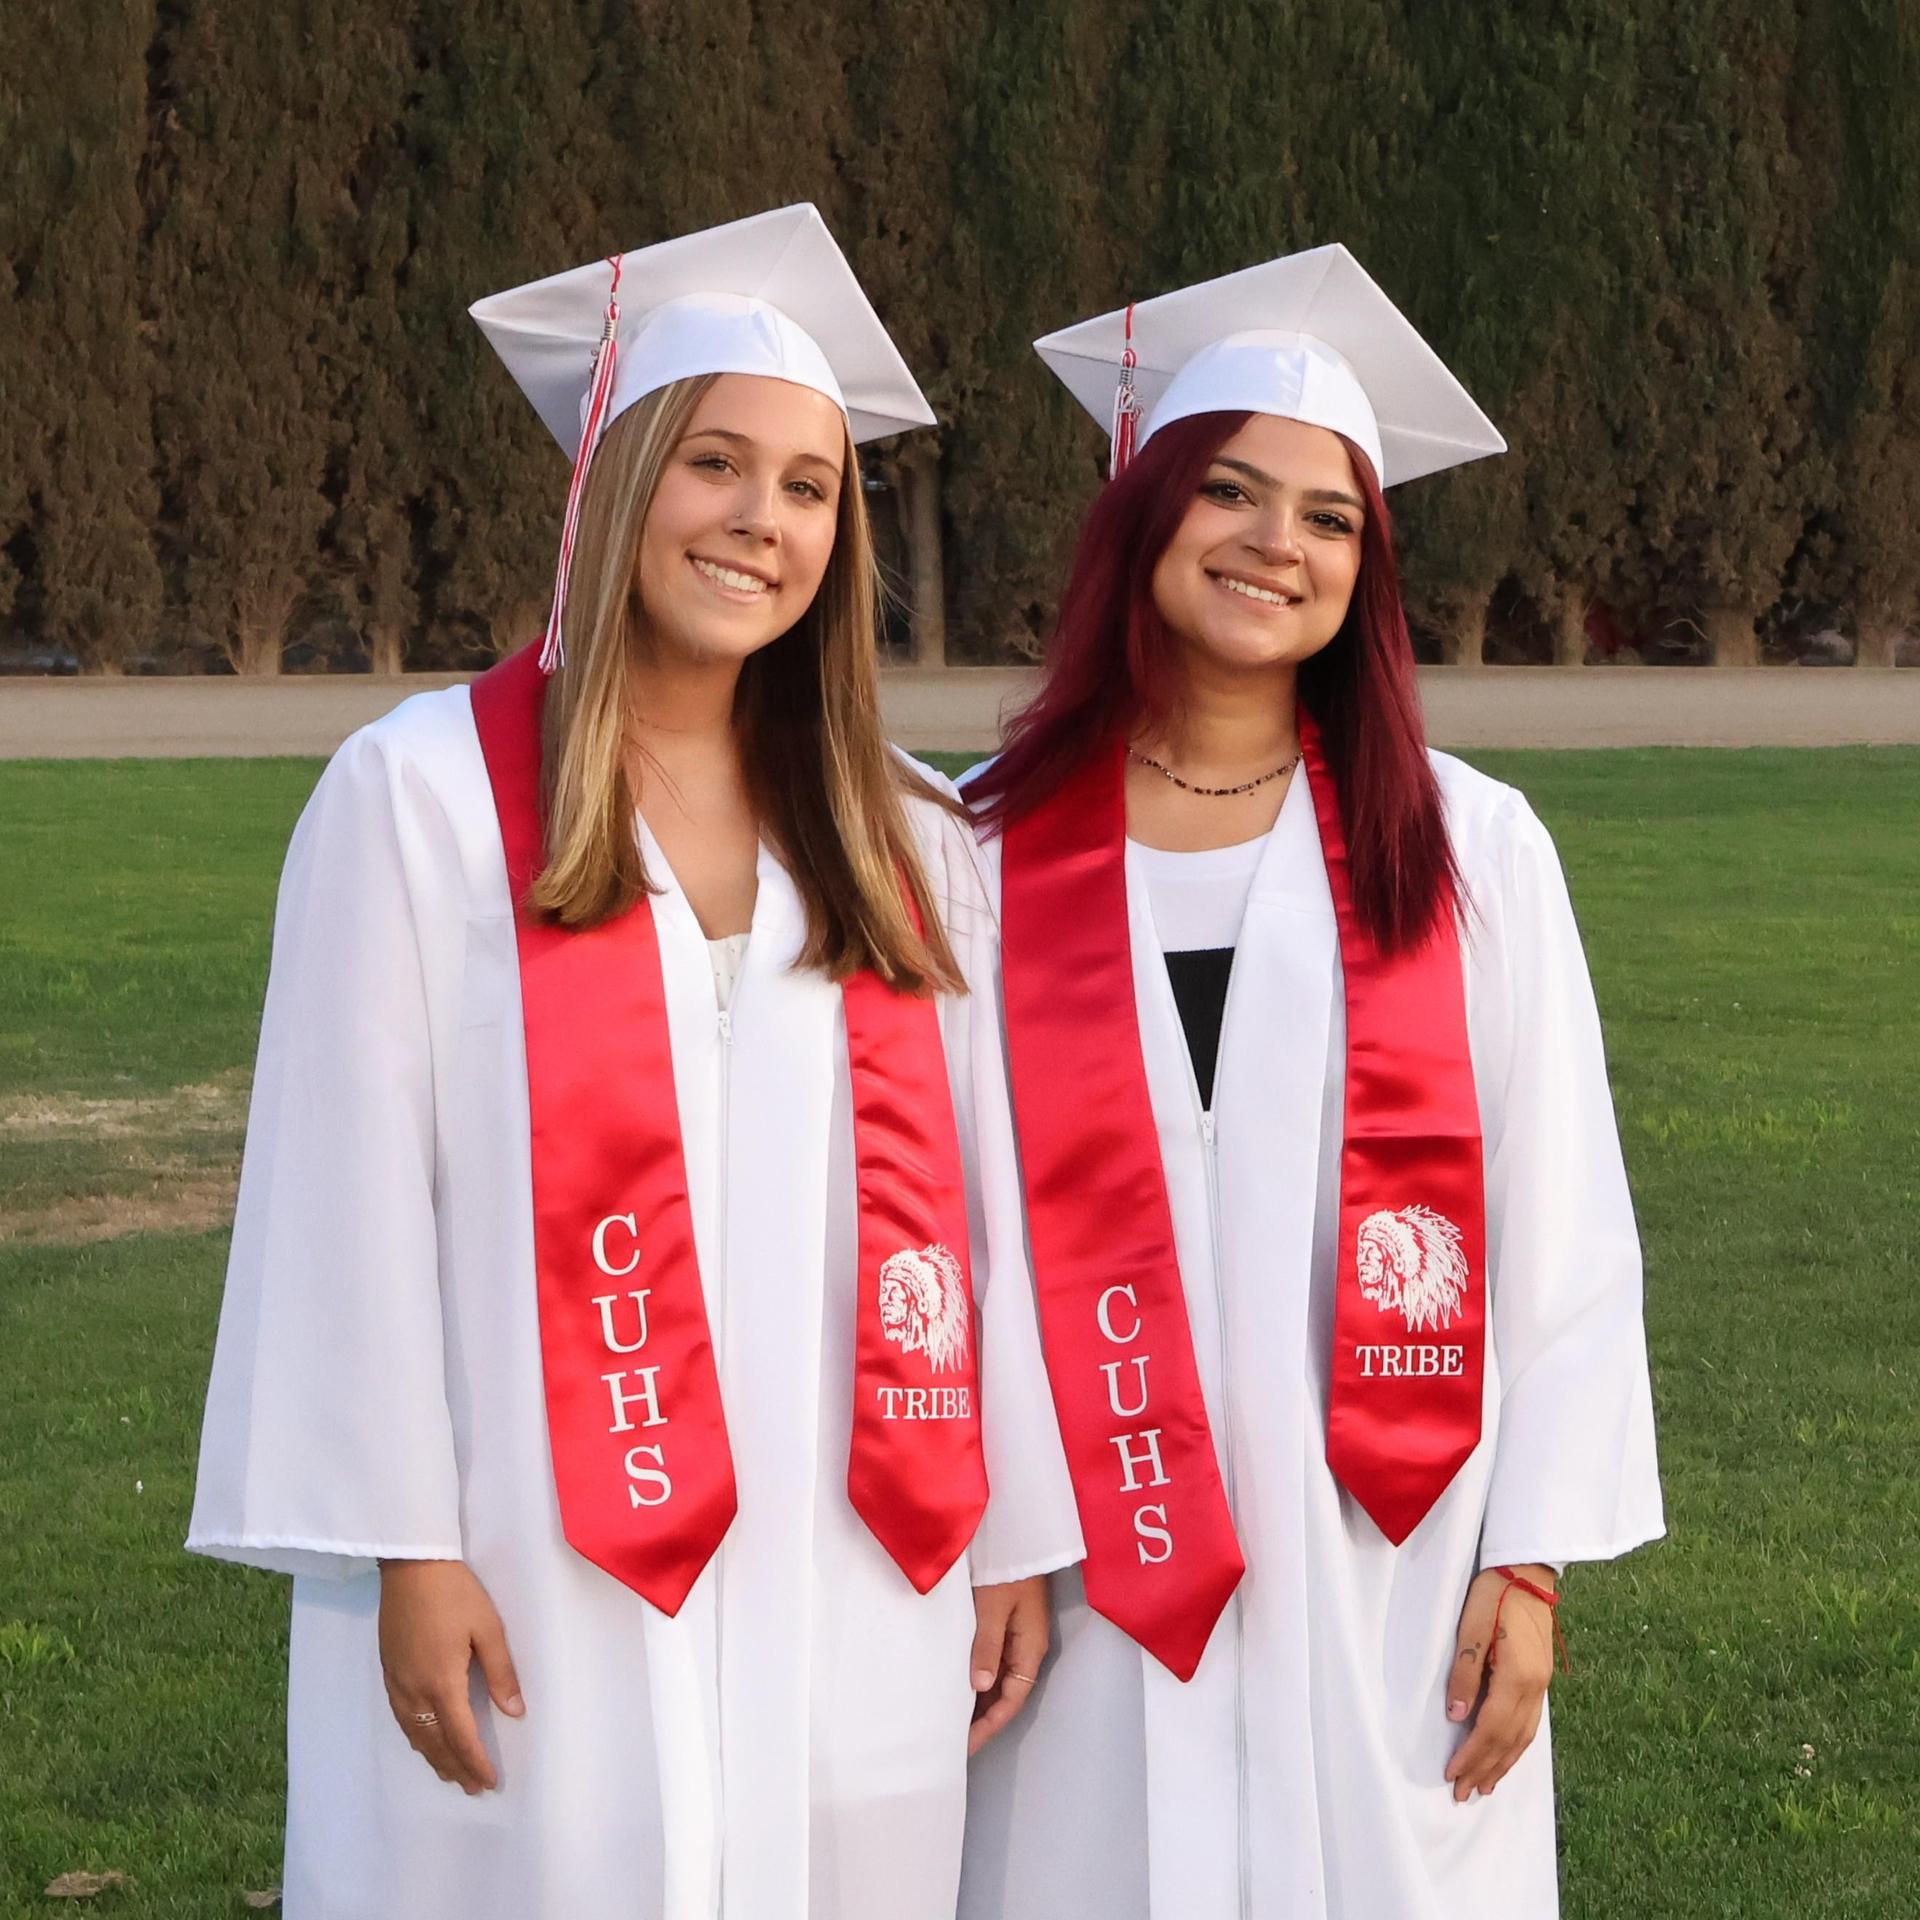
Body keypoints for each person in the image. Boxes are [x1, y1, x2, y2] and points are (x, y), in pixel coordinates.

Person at [188, 204, 1080, 1920]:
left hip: (854, 1539)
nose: (762, 520)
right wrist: (407, 1543)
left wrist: (1015, 1533)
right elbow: (344, 1194)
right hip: (539, 1541)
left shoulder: (908, 835)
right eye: (717, 465)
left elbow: (991, 1205)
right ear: (615, 482)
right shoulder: (423, 799)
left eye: (809, 486)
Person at [958, 245, 1663, 1919]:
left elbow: (1561, 1215)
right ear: (1144, 522)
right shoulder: (971, 851)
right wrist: (987, 1530)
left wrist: (1535, 1559)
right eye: (1230, 492)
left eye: (1331, 517)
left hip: (1388, 1556)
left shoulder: (1469, 843)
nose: (1279, 543)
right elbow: (933, 1213)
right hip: (1082, 1544)